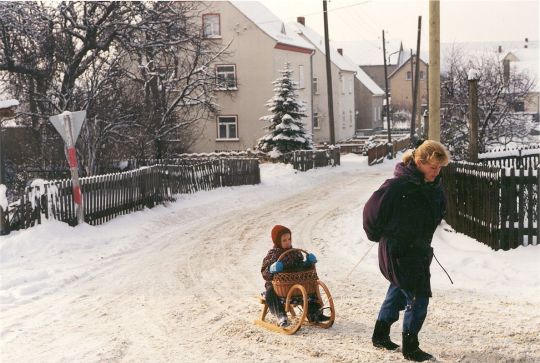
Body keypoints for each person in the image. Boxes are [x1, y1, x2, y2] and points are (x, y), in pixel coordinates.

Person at [363, 140, 450, 362]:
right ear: (419, 162)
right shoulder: (397, 186)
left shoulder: (432, 186)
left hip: (418, 248)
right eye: (433, 167)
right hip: (398, 249)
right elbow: (371, 212)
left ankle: (380, 334)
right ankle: (411, 348)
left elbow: (437, 209)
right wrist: (377, 235)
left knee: (398, 289)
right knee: (418, 295)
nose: (436, 172)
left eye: (440, 168)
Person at [260, 224, 330, 327]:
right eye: (284, 240)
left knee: (310, 288)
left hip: (297, 283)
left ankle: (314, 313)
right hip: (278, 287)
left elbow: (301, 268)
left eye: (289, 239)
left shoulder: (295, 253)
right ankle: (281, 316)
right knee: (270, 293)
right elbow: (264, 273)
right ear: (277, 241)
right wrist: (272, 268)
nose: (288, 242)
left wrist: (308, 263)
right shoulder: (273, 255)